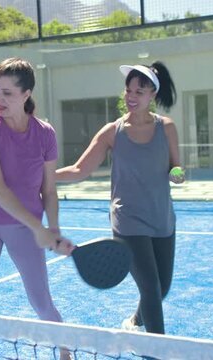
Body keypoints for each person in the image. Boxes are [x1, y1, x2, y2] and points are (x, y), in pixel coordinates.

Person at [56, 61, 183, 335]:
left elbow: (177, 165)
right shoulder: (112, 132)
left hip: (162, 218)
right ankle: (157, 351)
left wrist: (177, 173)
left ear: (153, 95)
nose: (131, 96)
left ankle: (135, 322)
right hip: (128, 221)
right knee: (149, 286)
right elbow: (80, 169)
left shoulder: (167, 128)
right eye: (128, 90)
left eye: (139, 91)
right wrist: (43, 176)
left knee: (162, 287)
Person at [0, 57, 74, 359]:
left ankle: (66, 352)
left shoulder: (45, 134)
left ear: (26, 94)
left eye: (7, 93)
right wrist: (40, 229)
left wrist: (53, 229)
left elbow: (49, 190)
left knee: (41, 302)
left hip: (23, 227)